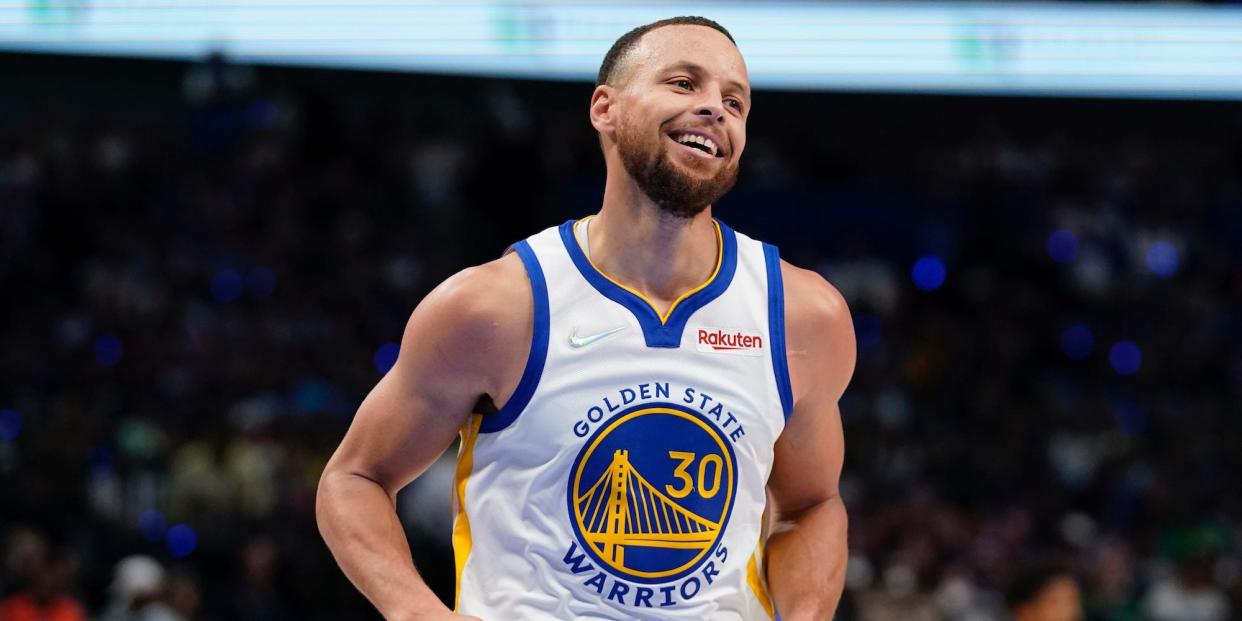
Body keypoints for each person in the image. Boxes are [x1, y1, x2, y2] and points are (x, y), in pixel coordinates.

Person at [316, 15, 855, 621]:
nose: (715, 110)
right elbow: (355, 479)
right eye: (683, 83)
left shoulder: (804, 316)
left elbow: (810, 506)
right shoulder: (494, 307)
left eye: (735, 101)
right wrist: (417, 611)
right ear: (606, 108)